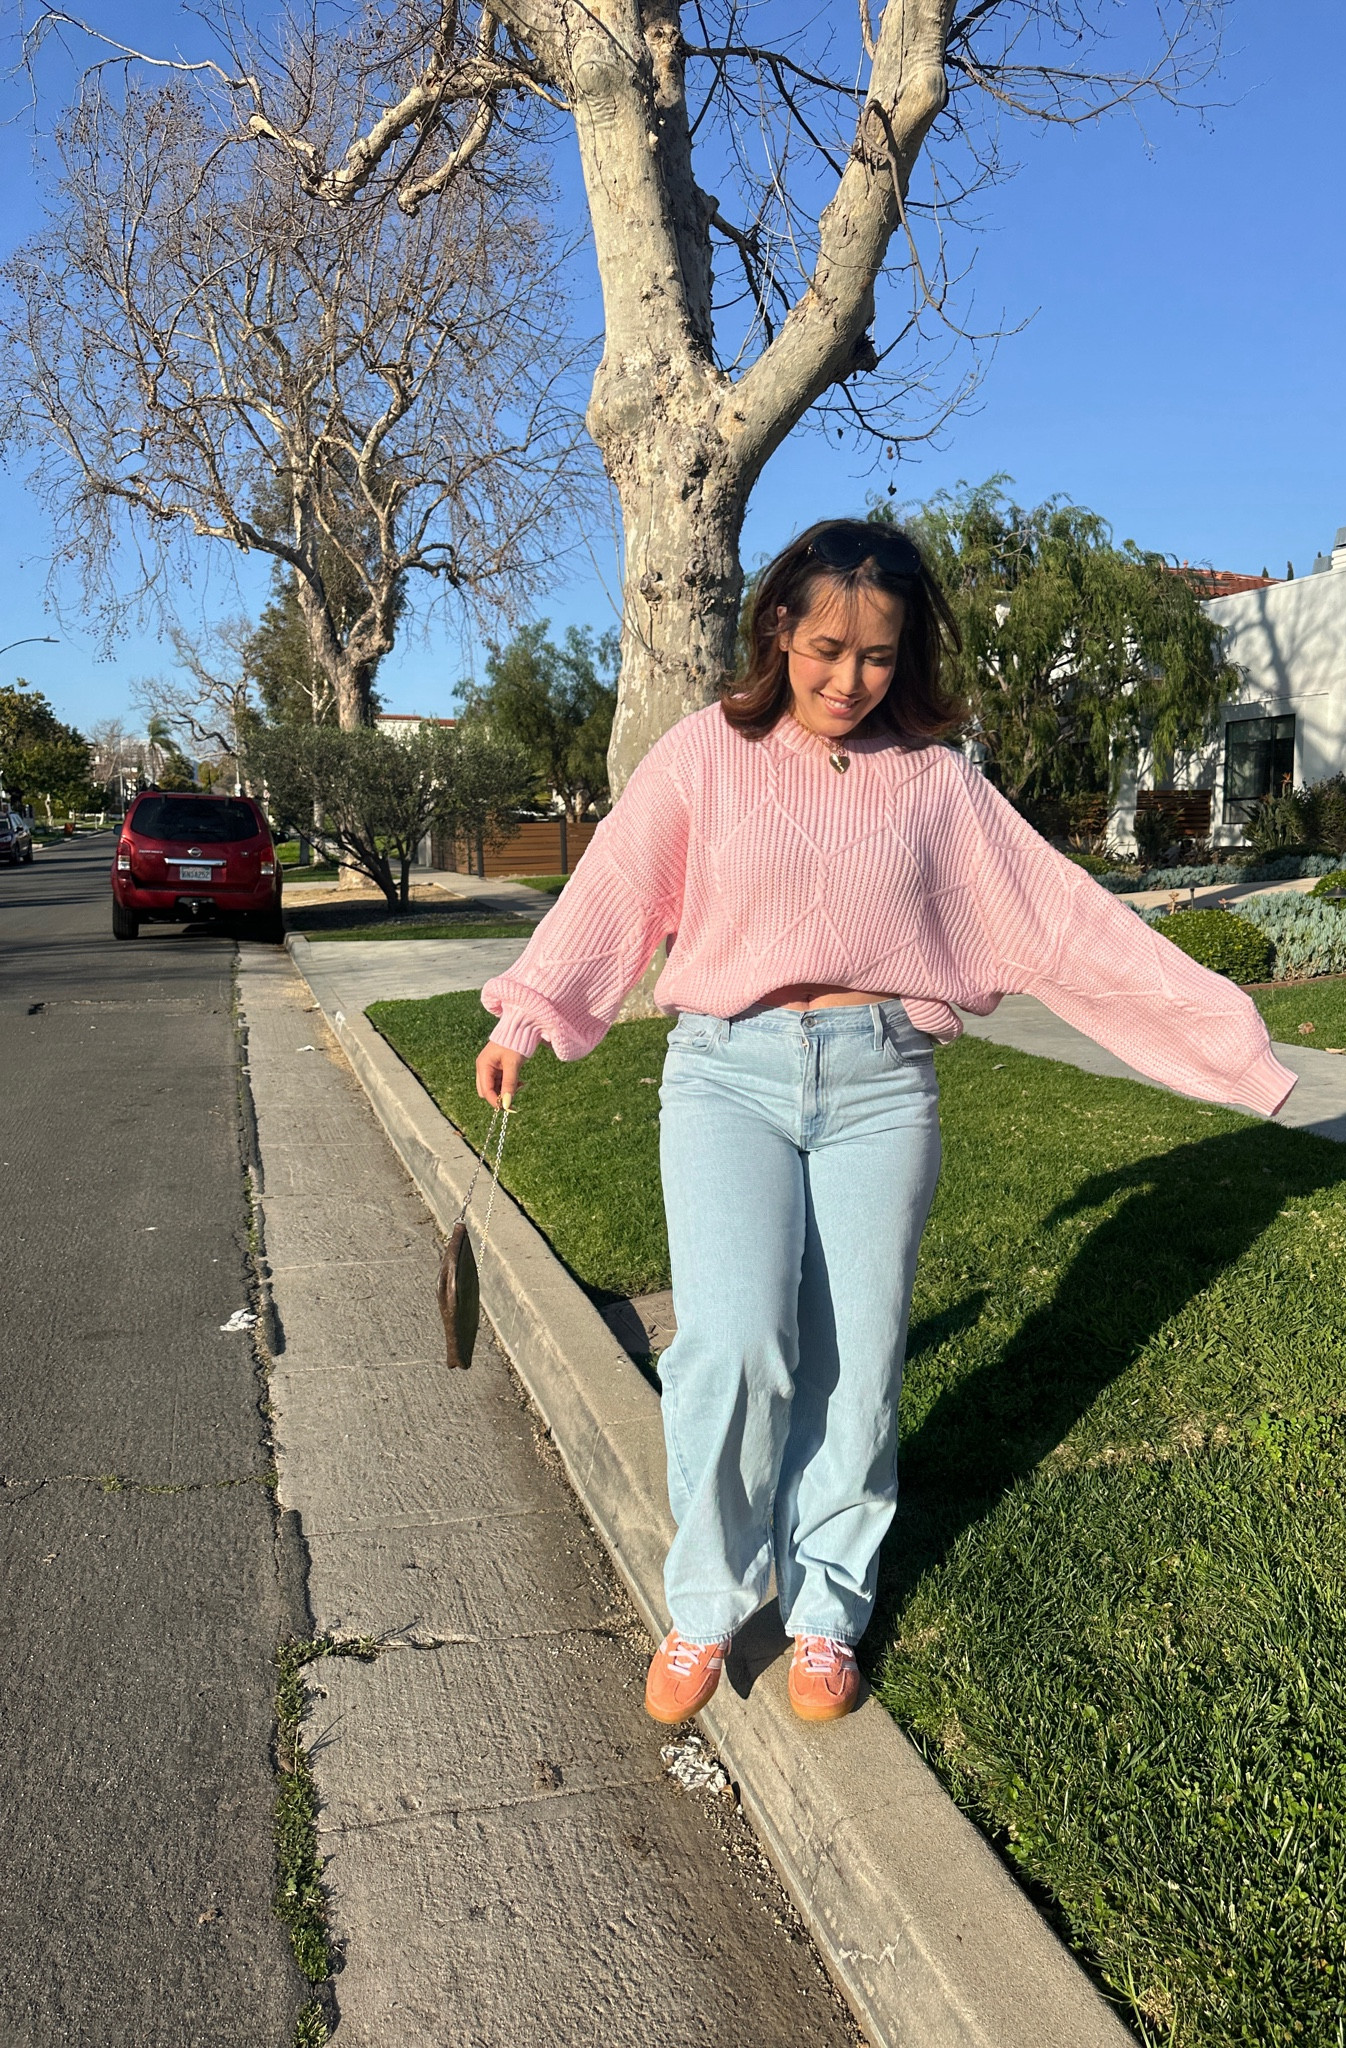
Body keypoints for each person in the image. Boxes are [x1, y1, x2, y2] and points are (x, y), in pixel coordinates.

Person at [474, 518, 1296, 1728]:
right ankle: (706, 1596)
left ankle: (825, 1615)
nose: (847, 679)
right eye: (824, 648)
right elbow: (613, 884)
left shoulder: (937, 778)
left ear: (904, 653)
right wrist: (528, 1012)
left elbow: (1063, 919)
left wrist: (1224, 1040)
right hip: (726, 1074)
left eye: (875, 655)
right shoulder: (705, 752)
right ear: (777, 630)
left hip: (878, 1081)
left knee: (857, 1364)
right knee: (734, 1342)